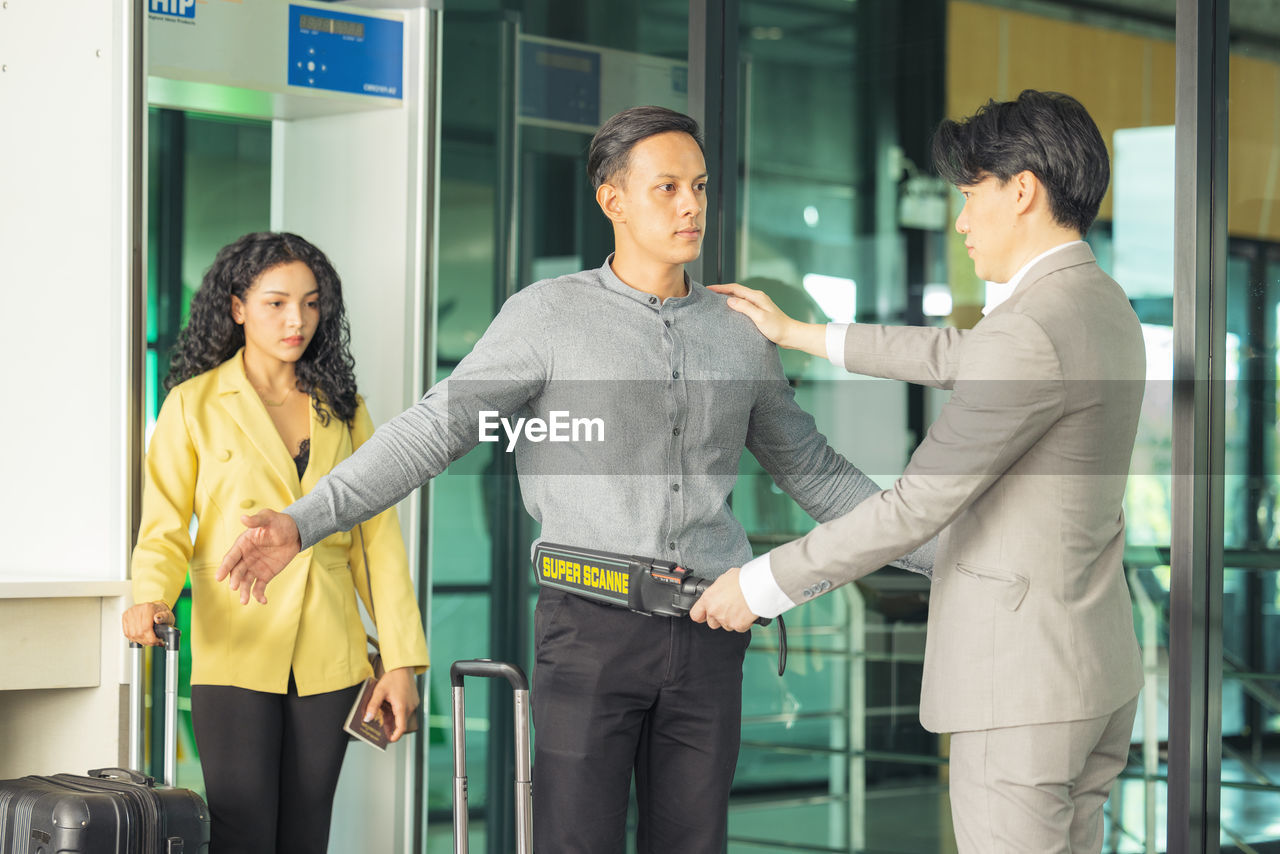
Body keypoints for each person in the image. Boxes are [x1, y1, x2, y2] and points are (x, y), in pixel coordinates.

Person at [214, 107, 932, 854]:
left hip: (712, 634)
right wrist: (303, 521)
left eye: (700, 186)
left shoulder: (741, 329)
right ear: (612, 200)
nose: (691, 205)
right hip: (589, 628)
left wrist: (953, 559)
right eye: (667, 188)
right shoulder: (547, 317)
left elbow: (816, 474)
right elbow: (434, 430)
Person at [693, 89, 1145, 854]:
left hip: (1019, 696)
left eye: (971, 195)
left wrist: (760, 585)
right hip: (1093, 677)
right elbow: (954, 356)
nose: (962, 221)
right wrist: (802, 333)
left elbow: (913, 507)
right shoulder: (1100, 305)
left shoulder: (1030, 328)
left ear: (1023, 190)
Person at [121, 232, 429, 854]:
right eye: (277, 303)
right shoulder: (192, 404)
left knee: (307, 832)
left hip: (330, 650)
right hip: (238, 640)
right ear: (237, 307)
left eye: (312, 304)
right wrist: (151, 597)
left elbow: (378, 543)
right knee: (241, 828)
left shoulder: (344, 410)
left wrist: (400, 661)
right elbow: (164, 527)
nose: (298, 320)